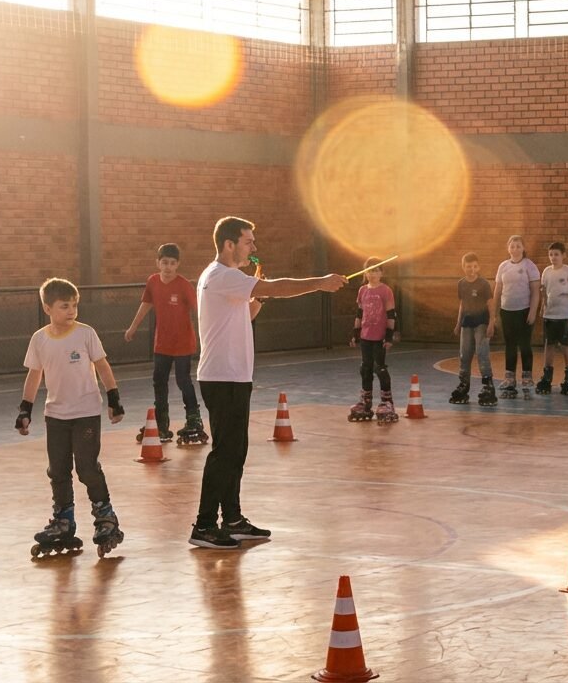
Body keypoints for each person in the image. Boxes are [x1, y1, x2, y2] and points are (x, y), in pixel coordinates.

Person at [189, 216, 346, 549]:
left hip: (234, 376)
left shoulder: (226, 279)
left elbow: (245, 315)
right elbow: (278, 287)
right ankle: (204, 525)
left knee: (236, 451)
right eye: (248, 241)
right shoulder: (222, 275)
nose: (253, 247)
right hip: (222, 377)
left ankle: (232, 519)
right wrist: (320, 282)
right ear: (229, 244)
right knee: (224, 452)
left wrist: (257, 296)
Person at [16, 278, 126, 557]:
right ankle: (63, 520)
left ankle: (105, 516)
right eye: (64, 306)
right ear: (48, 308)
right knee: (58, 470)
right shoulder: (39, 339)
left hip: (86, 412)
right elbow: (34, 375)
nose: (71, 311)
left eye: (74, 305)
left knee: (87, 468)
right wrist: (25, 409)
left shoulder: (85, 333)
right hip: (56, 414)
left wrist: (113, 398)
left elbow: (102, 365)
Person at [123, 242, 202, 444]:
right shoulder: (153, 282)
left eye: (172, 263)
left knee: (183, 380)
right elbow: (146, 304)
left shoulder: (184, 285)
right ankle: (161, 421)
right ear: (158, 263)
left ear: (178, 265)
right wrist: (133, 327)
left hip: (183, 342)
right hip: (162, 343)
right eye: (165, 262)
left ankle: (194, 418)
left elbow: (199, 310)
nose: (168, 267)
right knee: (159, 380)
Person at [490, 235, 541, 400]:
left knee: (525, 345)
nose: (515, 249)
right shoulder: (503, 266)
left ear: (523, 248)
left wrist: (532, 312)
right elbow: (497, 291)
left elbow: (535, 292)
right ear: (508, 248)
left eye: (518, 246)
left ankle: (527, 379)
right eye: (512, 246)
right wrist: (494, 313)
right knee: (510, 345)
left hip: (524, 311)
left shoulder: (529, 265)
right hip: (507, 311)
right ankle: (509, 379)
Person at [349, 258, 399, 424]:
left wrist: (389, 336)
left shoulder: (386, 290)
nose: (373, 273)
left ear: (381, 273)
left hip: (380, 337)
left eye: (376, 270)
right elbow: (359, 313)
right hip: (366, 336)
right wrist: (356, 333)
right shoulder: (362, 290)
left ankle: (387, 401)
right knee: (365, 368)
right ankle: (366, 401)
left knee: (380, 368)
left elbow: (391, 314)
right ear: (365, 273)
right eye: (370, 270)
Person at [536, 242, 568, 396]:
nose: (553, 257)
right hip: (550, 314)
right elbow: (544, 289)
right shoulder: (546, 272)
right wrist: (543, 305)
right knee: (549, 345)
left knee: (565, 345)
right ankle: (547, 377)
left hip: (564, 315)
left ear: (563, 255)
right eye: (551, 255)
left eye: (556, 254)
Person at [451, 252, 496, 407]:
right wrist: (458, 323)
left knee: (482, 353)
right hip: (467, 323)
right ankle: (464, 384)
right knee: (464, 354)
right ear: (463, 267)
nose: (472, 269)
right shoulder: (461, 284)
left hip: (481, 323)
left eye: (475, 266)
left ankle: (488, 385)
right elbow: (462, 304)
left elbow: (490, 303)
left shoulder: (483, 284)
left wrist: (491, 323)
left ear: (479, 267)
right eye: (468, 266)